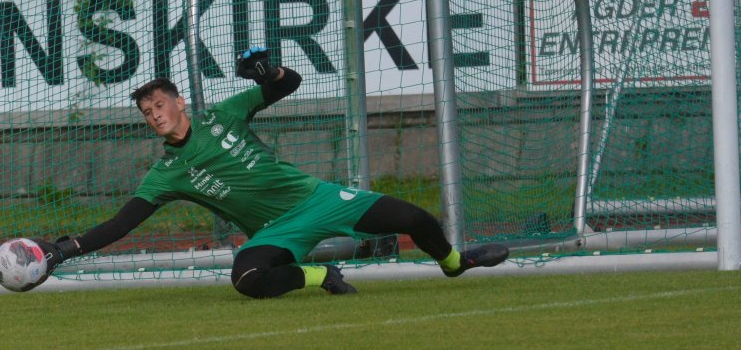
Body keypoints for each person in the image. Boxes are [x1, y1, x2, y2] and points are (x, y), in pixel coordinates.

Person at [27, 46, 509, 297]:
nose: (155, 115)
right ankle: (320, 276)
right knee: (247, 279)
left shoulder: (224, 114)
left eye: (159, 105)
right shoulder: (165, 174)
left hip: (317, 198)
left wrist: (269, 72)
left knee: (415, 219)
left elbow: (289, 83)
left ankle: (454, 263)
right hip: (275, 232)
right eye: (147, 112)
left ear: (180, 102)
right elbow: (121, 224)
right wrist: (65, 250)